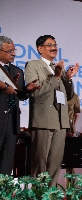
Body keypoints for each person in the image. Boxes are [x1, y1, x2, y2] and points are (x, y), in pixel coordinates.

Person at [25, 35, 79, 186]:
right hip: (43, 120)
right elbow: (35, 92)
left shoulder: (57, 68)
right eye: (49, 45)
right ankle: (38, 193)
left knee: (55, 164)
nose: (54, 47)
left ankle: (51, 194)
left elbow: (67, 96)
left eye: (55, 44)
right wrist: (56, 77)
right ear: (40, 49)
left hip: (60, 122)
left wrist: (67, 78)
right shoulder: (33, 65)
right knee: (40, 163)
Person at [0, 36, 39, 175]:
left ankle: (4, 191)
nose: (14, 54)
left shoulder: (17, 71)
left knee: (7, 158)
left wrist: (27, 90)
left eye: (14, 50)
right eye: (9, 51)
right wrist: (4, 88)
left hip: (12, 121)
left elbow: (19, 95)